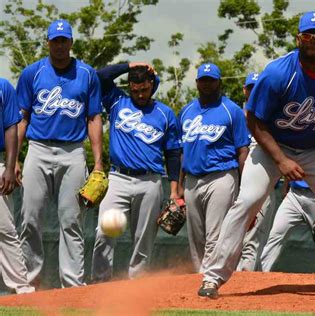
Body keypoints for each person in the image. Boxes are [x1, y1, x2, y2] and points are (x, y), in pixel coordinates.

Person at [198, 11, 315, 299]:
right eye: (307, 35)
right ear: (298, 38)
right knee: (248, 201)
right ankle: (213, 277)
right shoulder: (278, 73)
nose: (313, 41)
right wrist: (281, 160)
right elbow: (254, 121)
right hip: (271, 147)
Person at [15, 19, 103, 288]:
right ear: (48, 43)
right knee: (29, 218)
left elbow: (93, 118)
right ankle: (29, 284)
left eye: (64, 40)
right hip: (38, 150)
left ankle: (72, 287)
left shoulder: (87, 74)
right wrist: (14, 159)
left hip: (73, 152)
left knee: (71, 221)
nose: (60, 45)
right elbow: (22, 118)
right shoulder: (32, 73)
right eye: (56, 40)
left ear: (71, 43)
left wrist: (98, 162)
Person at [91, 62, 181, 282]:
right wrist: (129, 65)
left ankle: (136, 285)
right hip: (118, 178)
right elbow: (99, 76)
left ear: (152, 85)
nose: (140, 94)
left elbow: (173, 154)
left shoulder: (165, 113)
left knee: (144, 239)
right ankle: (99, 284)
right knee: (103, 233)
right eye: (135, 90)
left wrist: (174, 191)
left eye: (144, 89)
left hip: (150, 181)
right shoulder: (117, 101)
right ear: (129, 86)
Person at [178, 63, 250, 273]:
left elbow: (242, 150)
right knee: (196, 237)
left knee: (214, 235)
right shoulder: (186, 111)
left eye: (211, 80)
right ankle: (202, 276)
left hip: (221, 176)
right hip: (192, 179)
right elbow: (183, 151)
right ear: (197, 83)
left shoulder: (232, 110)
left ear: (219, 82)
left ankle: (209, 278)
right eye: (203, 80)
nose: (207, 84)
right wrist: (179, 185)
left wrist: (244, 184)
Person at [260, 128, 315, 274]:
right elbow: (290, 158)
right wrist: (287, 184)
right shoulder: (296, 125)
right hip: (294, 195)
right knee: (275, 236)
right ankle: (260, 276)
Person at [237, 72, 279, 272]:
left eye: (257, 88)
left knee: (252, 240)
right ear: (245, 90)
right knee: (230, 237)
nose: (254, 91)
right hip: (235, 186)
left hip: (261, 187)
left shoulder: (274, 119)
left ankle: (244, 282)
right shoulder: (236, 116)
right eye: (250, 88)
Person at [0, 78, 35, 294]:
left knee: (4, 229)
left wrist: (10, 167)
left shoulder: (3, 87)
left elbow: (11, 126)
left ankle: (22, 287)